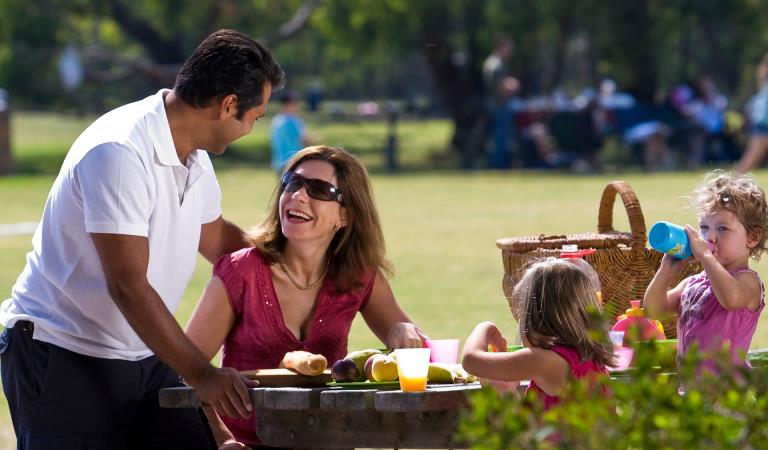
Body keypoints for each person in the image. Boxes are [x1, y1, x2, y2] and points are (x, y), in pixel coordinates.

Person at [0, 29, 284, 450]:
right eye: (254, 117)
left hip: (145, 356)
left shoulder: (195, 156)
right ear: (228, 106)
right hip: (63, 354)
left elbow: (217, 238)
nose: (252, 127)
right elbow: (128, 286)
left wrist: (288, 262)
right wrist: (203, 375)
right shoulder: (118, 151)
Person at [185, 145, 426, 448]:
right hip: (246, 444)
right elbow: (183, 370)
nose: (298, 195)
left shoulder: (359, 276)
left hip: (331, 442)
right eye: (292, 182)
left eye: (319, 190)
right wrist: (224, 440)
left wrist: (402, 330)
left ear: (346, 215)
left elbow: (421, 355)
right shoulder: (240, 271)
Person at [644, 171, 767, 371]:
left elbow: (730, 299)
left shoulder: (748, 282)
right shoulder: (692, 283)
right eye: (704, 227)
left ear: (752, 237)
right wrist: (665, 271)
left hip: (729, 394)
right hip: (693, 395)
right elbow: (653, 310)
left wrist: (706, 257)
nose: (710, 237)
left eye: (722, 229)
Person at [461, 258, 614, 410]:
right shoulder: (593, 363)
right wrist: (505, 389)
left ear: (534, 317)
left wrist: (486, 328)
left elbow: (470, 360)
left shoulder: (543, 361)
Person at [482, 35, 519, 169]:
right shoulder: (496, 64)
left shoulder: (492, 62)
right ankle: (498, 165)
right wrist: (511, 85)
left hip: (495, 104)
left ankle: (497, 163)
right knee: (500, 137)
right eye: (508, 47)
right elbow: (499, 86)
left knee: (498, 136)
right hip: (498, 105)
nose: (510, 51)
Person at [270, 89, 315, 173]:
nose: (297, 105)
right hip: (293, 162)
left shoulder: (276, 120)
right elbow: (303, 140)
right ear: (288, 104)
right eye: (295, 103)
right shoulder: (292, 121)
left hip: (279, 163)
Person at [736, 53, 768, 173]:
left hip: (762, 126)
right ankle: (729, 186)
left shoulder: (764, 81)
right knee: (748, 162)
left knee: (748, 163)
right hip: (764, 126)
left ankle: (731, 185)